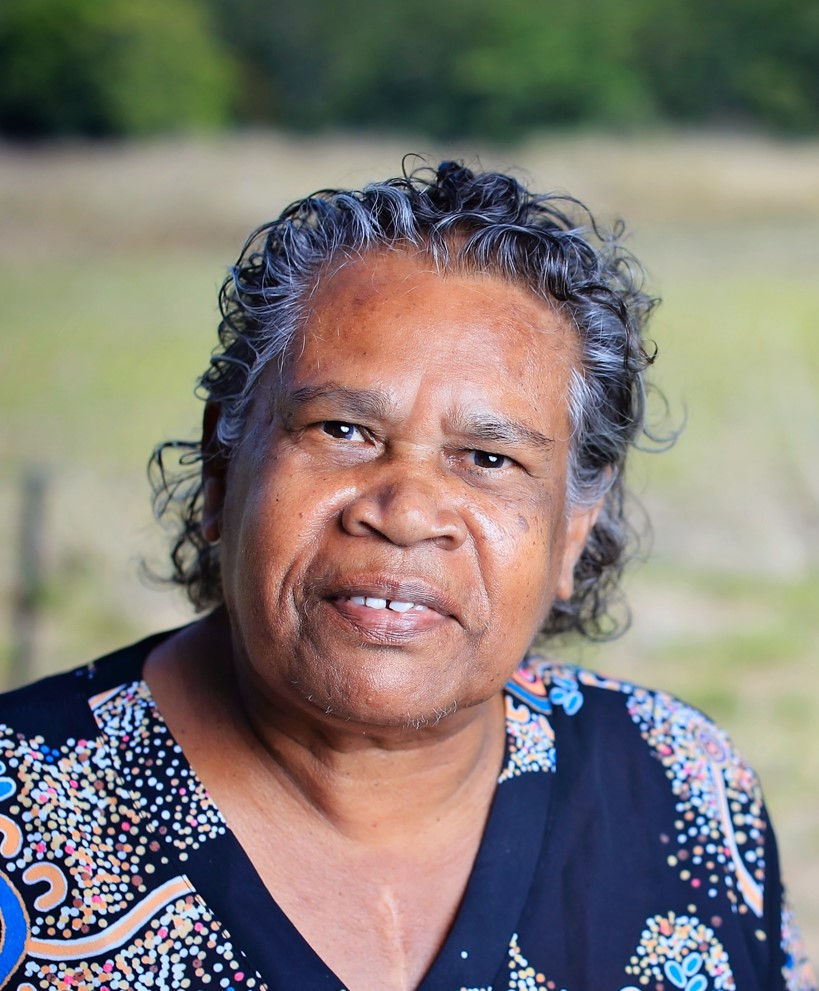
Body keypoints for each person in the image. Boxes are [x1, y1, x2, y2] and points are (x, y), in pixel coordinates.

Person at [0, 161, 812, 991]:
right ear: (223, 467)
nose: (405, 510)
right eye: (342, 429)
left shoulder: (681, 783)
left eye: (488, 457)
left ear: (573, 530)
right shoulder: (18, 811)